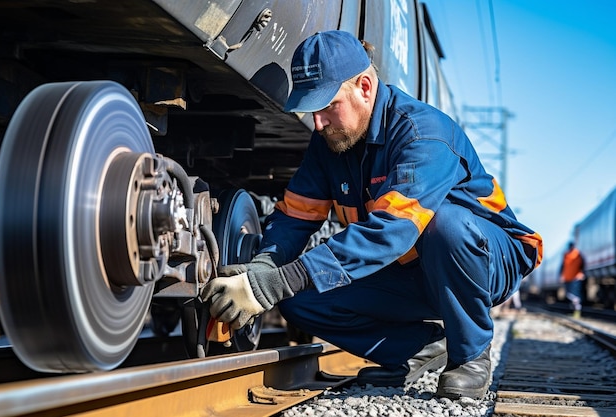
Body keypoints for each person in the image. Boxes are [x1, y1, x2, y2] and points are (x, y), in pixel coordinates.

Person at [203, 30, 543, 400]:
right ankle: (420, 348)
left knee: (444, 226)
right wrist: (264, 268)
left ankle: (471, 356)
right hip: (409, 269)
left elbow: (390, 232)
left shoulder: (422, 134)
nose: (317, 123)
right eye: (312, 110)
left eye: (328, 106)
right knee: (297, 300)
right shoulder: (329, 143)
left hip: (484, 259)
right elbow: (296, 216)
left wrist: (278, 280)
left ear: (364, 87)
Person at [559, 242, 584, 317]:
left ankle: (577, 312)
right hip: (567, 278)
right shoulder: (566, 255)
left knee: (575, 295)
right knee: (569, 295)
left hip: (576, 278)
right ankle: (573, 310)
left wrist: (581, 273)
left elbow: (582, 265)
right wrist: (561, 275)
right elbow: (563, 266)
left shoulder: (578, 254)